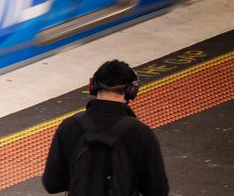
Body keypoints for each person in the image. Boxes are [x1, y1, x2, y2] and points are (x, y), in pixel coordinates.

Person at [42, 60, 169, 196]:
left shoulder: (70, 125)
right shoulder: (141, 133)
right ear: (132, 90)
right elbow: (157, 190)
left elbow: (52, 184)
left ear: (93, 86)